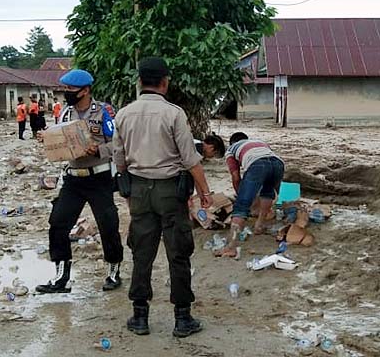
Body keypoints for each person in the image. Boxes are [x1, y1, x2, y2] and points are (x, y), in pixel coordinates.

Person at [113, 57, 213, 338]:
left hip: (140, 191)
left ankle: (140, 317)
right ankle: (183, 319)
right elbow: (191, 159)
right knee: (178, 254)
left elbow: (119, 160)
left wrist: (129, 191)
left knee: (141, 253)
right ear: (165, 82)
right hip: (171, 192)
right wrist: (205, 193)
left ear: (140, 81)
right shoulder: (174, 114)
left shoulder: (123, 114)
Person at [35, 69, 124, 294]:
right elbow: (60, 140)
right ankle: (61, 277)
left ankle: (114, 271)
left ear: (85, 90)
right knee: (58, 222)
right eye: (66, 90)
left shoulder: (104, 112)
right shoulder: (65, 113)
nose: (68, 94)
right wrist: (48, 139)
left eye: (72, 90)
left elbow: (117, 143)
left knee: (108, 224)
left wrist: (98, 150)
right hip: (73, 179)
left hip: (99, 177)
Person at [215, 132, 285, 258]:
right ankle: (259, 226)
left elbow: (236, 177)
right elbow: (270, 164)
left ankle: (231, 247)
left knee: (241, 207)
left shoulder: (231, 150)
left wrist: (241, 195)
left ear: (232, 143)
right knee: (267, 192)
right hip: (279, 163)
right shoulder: (260, 143)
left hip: (257, 165)